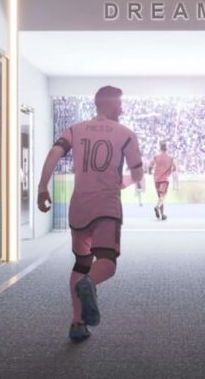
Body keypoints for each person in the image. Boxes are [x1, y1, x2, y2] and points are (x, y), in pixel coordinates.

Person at [37, 86, 143, 343]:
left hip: (79, 208)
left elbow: (54, 153)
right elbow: (137, 173)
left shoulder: (75, 129)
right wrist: (124, 183)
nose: (122, 109)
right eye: (120, 104)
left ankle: (77, 322)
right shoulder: (126, 134)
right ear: (112, 104)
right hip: (106, 207)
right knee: (106, 262)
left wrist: (42, 187)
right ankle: (90, 284)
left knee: (81, 263)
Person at [149, 142, 177, 221]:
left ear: (160, 149)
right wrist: (170, 170)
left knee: (160, 197)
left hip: (156, 179)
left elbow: (150, 166)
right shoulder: (170, 158)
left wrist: (149, 171)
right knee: (162, 196)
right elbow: (174, 168)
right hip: (164, 179)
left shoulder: (156, 157)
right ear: (166, 149)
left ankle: (162, 215)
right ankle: (157, 207)